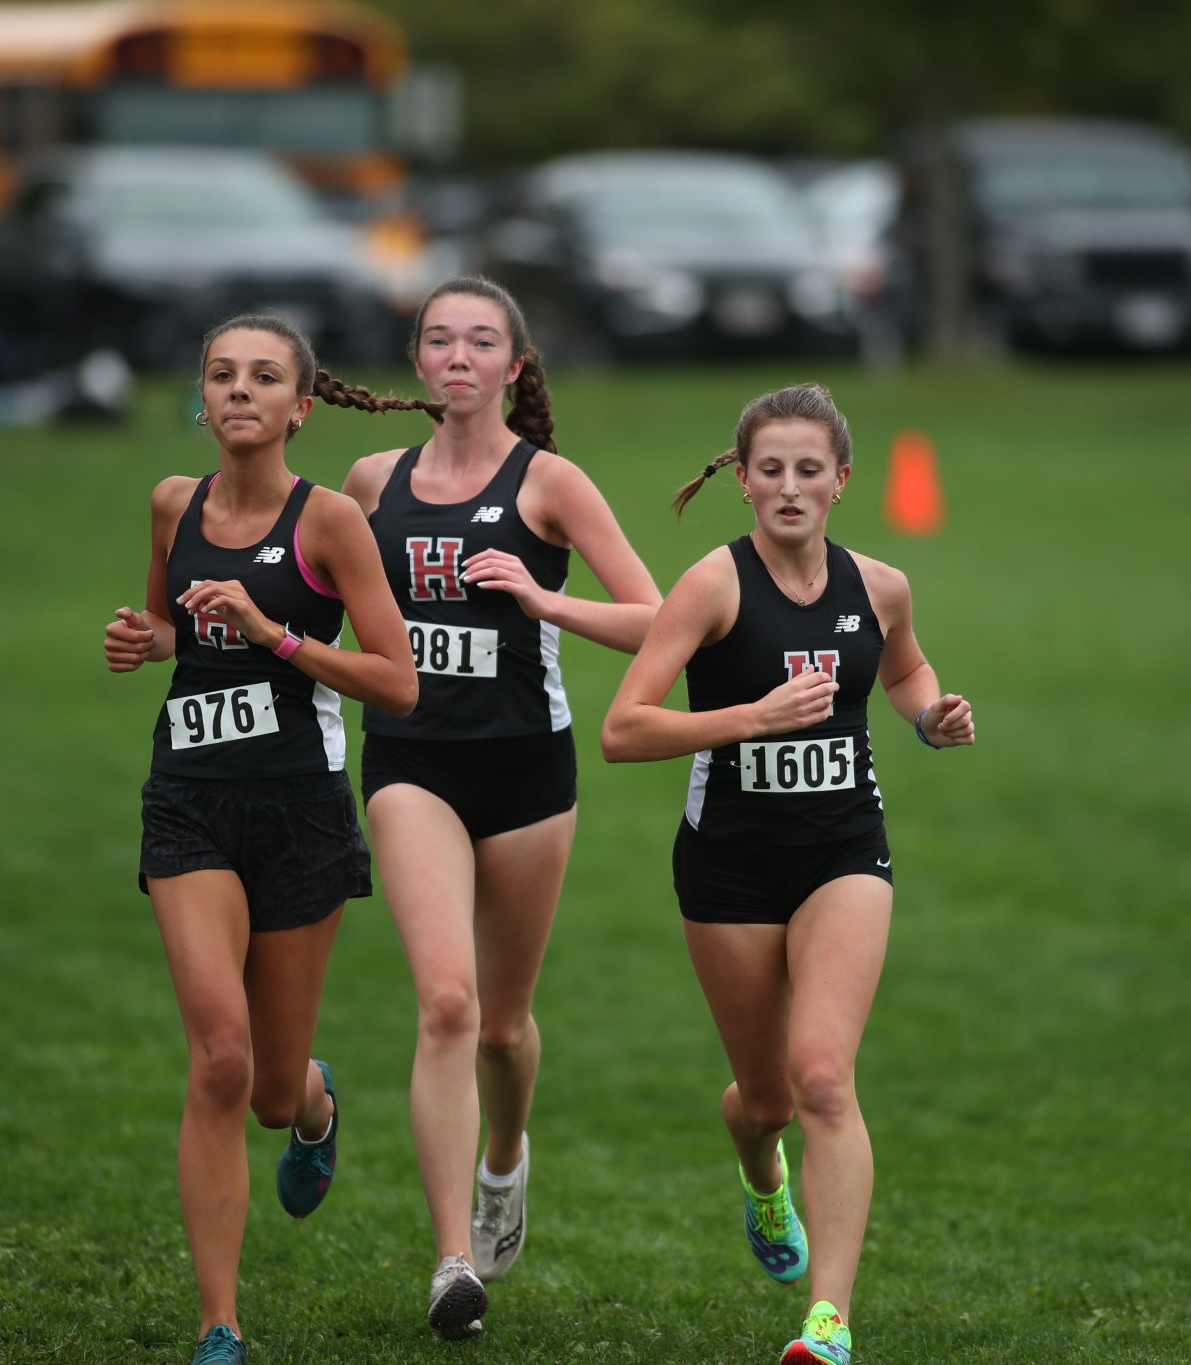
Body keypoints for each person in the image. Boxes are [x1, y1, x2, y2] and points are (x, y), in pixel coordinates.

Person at [600, 384, 975, 1365]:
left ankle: (827, 1321)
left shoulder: (880, 586)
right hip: (727, 865)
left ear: (841, 480)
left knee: (822, 1079)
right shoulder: (711, 587)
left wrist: (929, 716)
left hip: (842, 852)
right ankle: (761, 1173)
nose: (790, 487)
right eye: (770, 469)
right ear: (744, 480)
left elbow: (903, 669)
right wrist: (750, 719)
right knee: (765, 1101)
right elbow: (622, 729)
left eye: (809, 469)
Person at [339, 276, 662, 1338]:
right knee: (447, 1003)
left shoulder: (550, 483)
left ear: (514, 367)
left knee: (505, 1024)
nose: (459, 357)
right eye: (440, 340)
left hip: (526, 774)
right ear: (418, 363)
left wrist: (540, 598)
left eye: (481, 342)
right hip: (409, 763)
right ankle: (450, 1263)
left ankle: (505, 1157)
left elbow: (659, 620)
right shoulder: (372, 481)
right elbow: (315, 603)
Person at [101, 312, 425, 1365]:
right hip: (189, 799)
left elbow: (397, 682)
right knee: (221, 1059)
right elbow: (169, 626)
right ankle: (220, 1324)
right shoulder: (172, 503)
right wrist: (144, 639)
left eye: (264, 376)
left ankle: (316, 1101)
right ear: (203, 399)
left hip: (299, 812)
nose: (239, 389)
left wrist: (275, 635)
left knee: (274, 1090)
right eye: (222, 374)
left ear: (300, 406)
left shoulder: (330, 523)